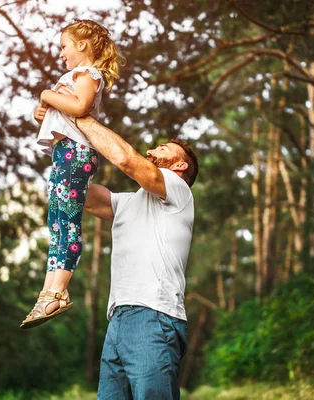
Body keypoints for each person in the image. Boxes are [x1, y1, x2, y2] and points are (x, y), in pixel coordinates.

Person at [55, 109, 199, 399]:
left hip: (153, 316)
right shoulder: (127, 203)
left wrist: (79, 115)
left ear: (180, 165)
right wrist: (59, 134)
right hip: (118, 320)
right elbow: (71, 189)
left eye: (162, 149)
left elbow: (125, 158)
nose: (151, 150)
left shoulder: (177, 189)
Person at [20, 19, 124, 329]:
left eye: (64, 46)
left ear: (81, 45)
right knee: (56, 220)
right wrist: (44, 110)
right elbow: (65, 110)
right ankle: (49, 291)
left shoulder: (87, 73)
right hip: (64, 153)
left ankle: (59, 291)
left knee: (66, 219)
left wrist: (46, 95)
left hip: (77, 153)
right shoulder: (74, 74)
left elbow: (80, 106)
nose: (62, 53)